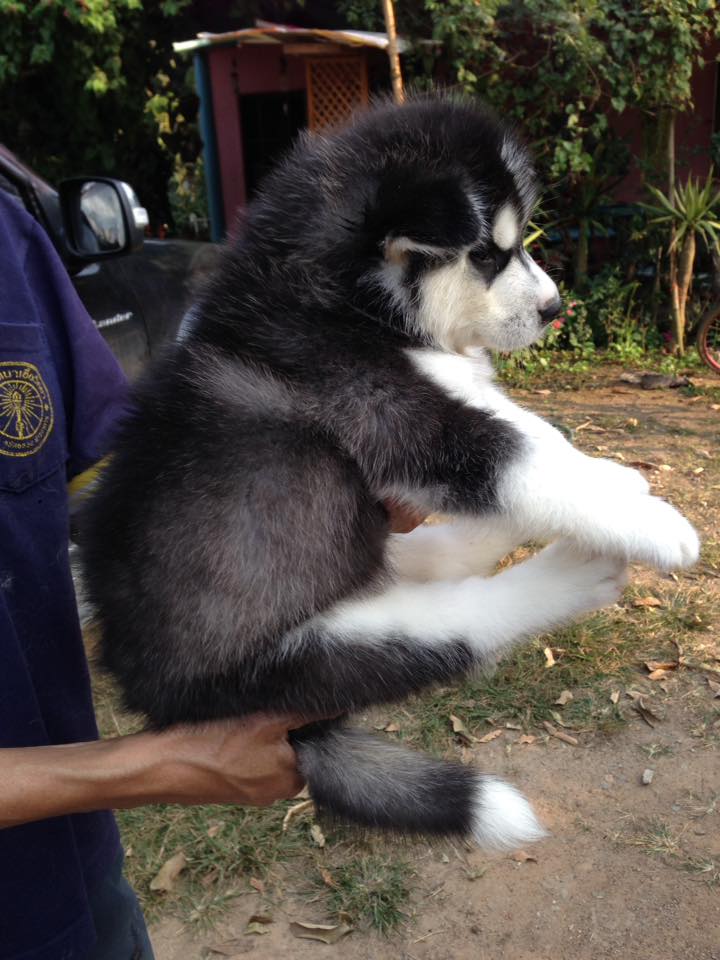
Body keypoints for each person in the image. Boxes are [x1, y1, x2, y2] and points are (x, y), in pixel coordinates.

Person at [0, 189, 425, 960]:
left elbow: (111, 484)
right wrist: (146, 765)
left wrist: (317, 472)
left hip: (74, 866)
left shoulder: (7, 235)